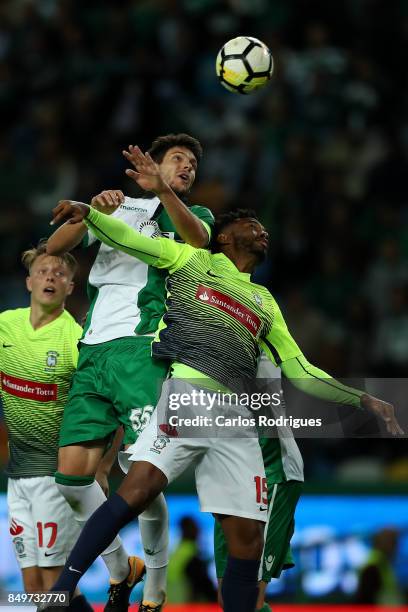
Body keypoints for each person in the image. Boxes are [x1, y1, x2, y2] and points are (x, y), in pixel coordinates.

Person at [40, 199, 401, 612]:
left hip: (237, 419)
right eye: (253, 224)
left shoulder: (264, 300)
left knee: (248, 539)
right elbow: (128, 237)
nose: (264, 231)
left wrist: (362, 398)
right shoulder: (193, 260)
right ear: (225, 236)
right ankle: (62, 590)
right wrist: (93, 214)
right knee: (137, 490)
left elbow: (300, 370)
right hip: (188, 397)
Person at [46, 134, 214, 612]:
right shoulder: (118, 208)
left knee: (140, 475)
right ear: (155, 164)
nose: (187, 168)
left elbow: (199, 243)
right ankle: (123, 570)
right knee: (71, 481)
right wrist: (86, 213)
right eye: (177, 159)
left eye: (192, 165)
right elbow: (54, 251)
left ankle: (155, 595)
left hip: (144, 351)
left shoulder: (192, 216)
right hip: (93, 349)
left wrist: (164, 191)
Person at [0, 240, 93, 611]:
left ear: (70, 287)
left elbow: (101, 405)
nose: (50, 277)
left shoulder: (75, 339)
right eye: (42, 271)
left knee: (55, 581)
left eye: (59, 273)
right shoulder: (6, 325)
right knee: (33, 583)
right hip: (18, 476)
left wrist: (98, 465)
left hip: (56, 476)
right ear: (29, 283)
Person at [214, 356, 304, 612]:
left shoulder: (257, 346)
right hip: (227, 484)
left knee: (249, 598)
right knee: (228, 599)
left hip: (271, 474)